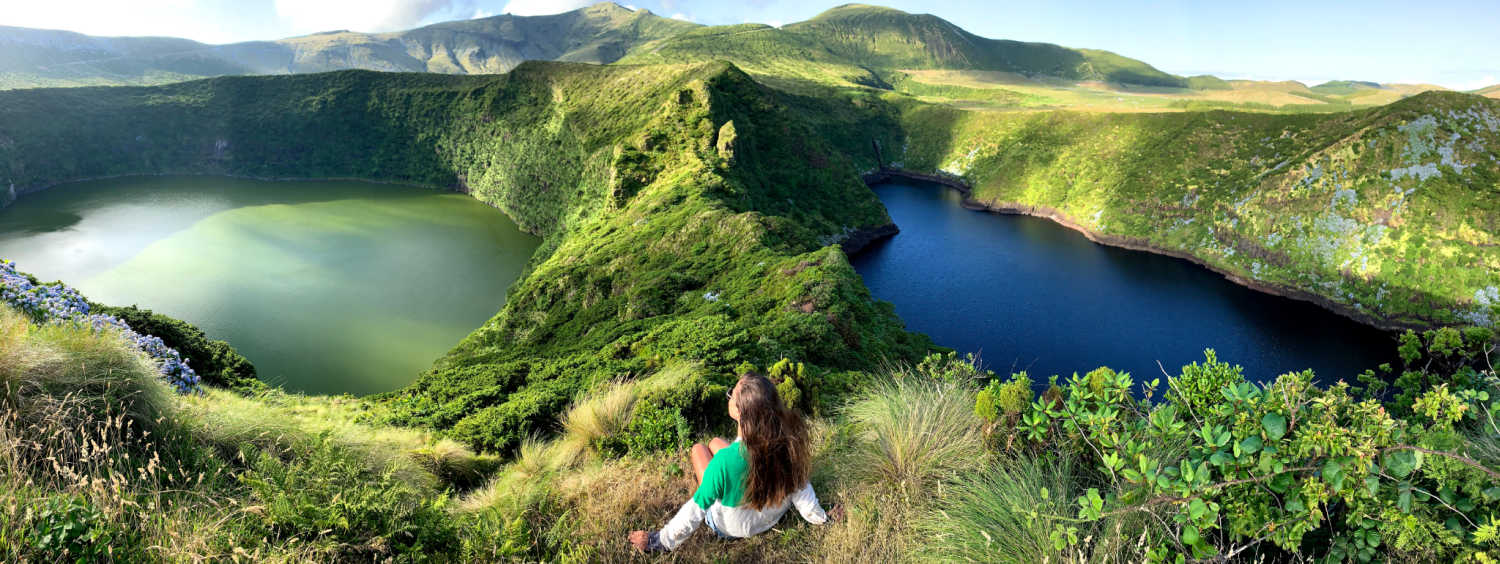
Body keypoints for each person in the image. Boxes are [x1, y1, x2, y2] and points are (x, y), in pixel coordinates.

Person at [628, 371, 840, 552]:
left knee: (699, 449)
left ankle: (706, 463)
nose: (728, 397)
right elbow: (802, 489)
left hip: (731, 527)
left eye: (731, 395)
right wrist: (823, 519)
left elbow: (695, 510)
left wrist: (659, 541)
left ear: (739, 412)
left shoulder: (724, 462)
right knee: (716, 442)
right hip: (772, 516)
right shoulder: (788, 442)